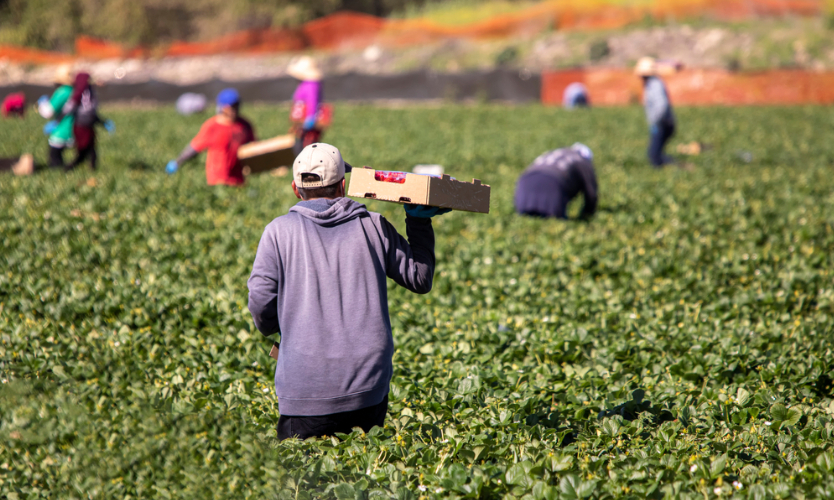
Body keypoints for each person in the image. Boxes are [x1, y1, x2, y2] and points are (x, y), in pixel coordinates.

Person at [247, 143, 449, 440]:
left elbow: (260, 302)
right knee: (365, 476)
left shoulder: (278, 232)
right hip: (367, 391)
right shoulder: (374, 226)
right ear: (343, 185)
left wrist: (284, 329)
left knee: (304, 481)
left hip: (304, 392)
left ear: (295, 189)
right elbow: (419, 278)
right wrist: (418, 221)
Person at [166, 88, 255, 186]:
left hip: (239, 180)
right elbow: (194, 148)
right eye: (231, 107)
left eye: (237, 106)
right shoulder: (212, 126)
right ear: (222, 108)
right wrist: (177, 162)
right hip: (218, 180)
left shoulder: (245, 125)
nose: (234, 110)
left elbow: (253, 147)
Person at [514, 143, 598, 220]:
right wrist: (587, 215)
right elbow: (591, 192)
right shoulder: (582, 160)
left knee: (525, 219)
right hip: (553, 185)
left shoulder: (553, 152)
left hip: (524, 184)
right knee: (554, 222)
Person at [62, 72, 114, 171]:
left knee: (91, 149)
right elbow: (70, 109)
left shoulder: (88, 92)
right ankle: (69, 168)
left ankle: (92, 168)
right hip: (81, 125)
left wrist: (103, 122)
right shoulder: (79, 94)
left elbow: (92, 112)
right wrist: (58, 121)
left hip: (88, 125)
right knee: (84, 150)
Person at [635, 57, 676, 168]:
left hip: (663, 123)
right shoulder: (650, 84)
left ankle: (675, 167)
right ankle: (671, 167)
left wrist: (656, 121)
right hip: (661, 123)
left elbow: (661, 105)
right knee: (655, 154)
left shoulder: (655, 84)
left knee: (654, 155)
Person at [37, 65, 75, 168]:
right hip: (76, 129)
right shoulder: (75, 91)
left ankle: (60, 170)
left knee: (54, 157)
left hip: (62, 131)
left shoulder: (62, 91)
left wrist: (42, 104)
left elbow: (48, 112)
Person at [288, 56, 324, 156]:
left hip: (308, 124)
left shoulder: (312, 85)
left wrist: (310, 118)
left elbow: (313, 101)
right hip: (301, 122)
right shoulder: (305, 83)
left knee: (306, 148)